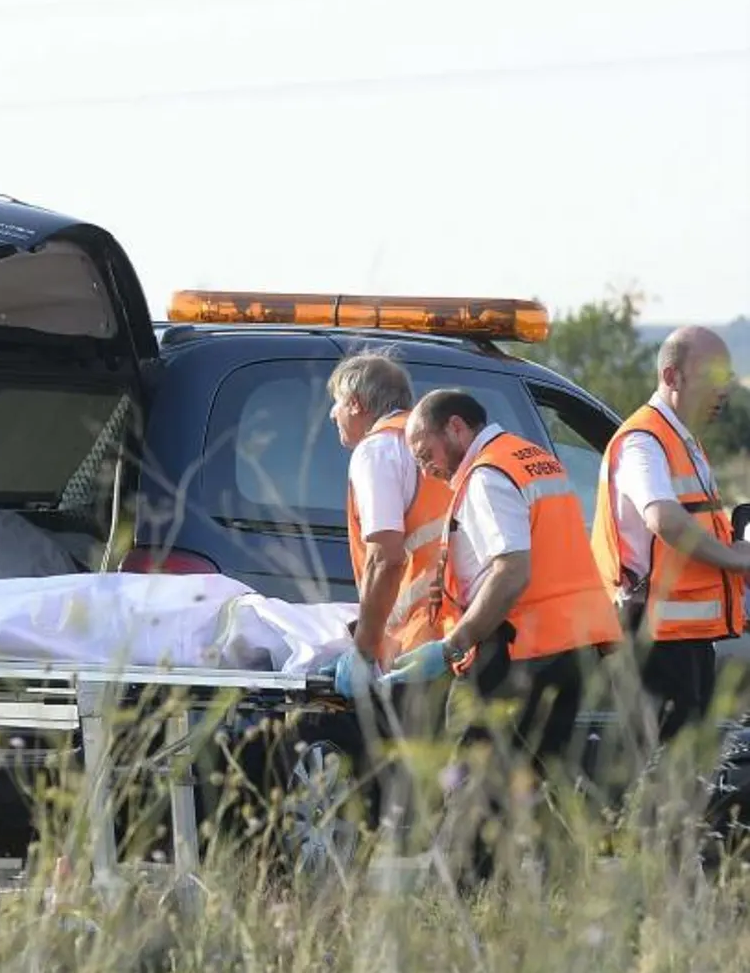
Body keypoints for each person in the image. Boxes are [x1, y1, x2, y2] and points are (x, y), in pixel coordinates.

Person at [397, 388, 622, 885]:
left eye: (425, 452)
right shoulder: (532, 458)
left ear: (456, 428)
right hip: (569, 645)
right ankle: (559, 892)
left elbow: (511, 570)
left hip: (520, 649)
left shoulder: (488, 475)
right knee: (542, 778)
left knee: (476, 782)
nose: (426, 467)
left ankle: (460, 903)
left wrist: (456, 642)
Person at [590, 326, 750, 759]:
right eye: (713, 376)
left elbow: (698, 523)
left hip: (684, 639)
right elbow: (665, 519)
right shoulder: (643, 441)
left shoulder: (684, 440)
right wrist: (737, 561)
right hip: (653, 641)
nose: (724, 390)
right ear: (672, 376)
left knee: (684, 775)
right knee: (666, 775)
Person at [318, 351, 455, 835]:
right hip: (452, 636)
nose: (333, 414)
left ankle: (405, 898)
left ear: (356, 403)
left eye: (335, 403)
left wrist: (361, 648)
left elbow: (387, 555)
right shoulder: (427, 447)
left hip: (412, 645)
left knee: (400, 798)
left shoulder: (376, 451)